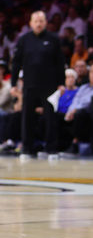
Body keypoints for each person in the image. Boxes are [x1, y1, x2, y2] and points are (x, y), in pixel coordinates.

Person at [10, 11, 65, 157]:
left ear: (46, 22)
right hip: (29, 85)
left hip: (50, 86)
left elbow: (60, 62)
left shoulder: (53, 39)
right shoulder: (24, 40)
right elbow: (16, 62)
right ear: (30, 23)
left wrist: (62, 83)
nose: (39, 23)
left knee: (50, 118)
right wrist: (13, 83)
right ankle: (26, 149)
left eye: (41, 21)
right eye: (36, 21)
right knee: (27, 118)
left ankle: (51, 149)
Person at [61, 62, 93, 156]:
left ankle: (75, 145)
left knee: (80, 114)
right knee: (56, 116)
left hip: (91, 117)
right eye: (92, 72)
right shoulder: (83, 87)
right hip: (76, 113)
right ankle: (56, 145)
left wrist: (75, 111)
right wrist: (70, 111)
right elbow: (75, 100)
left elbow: (91, 103)